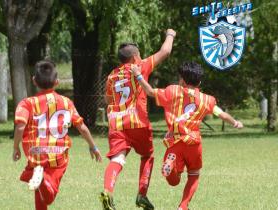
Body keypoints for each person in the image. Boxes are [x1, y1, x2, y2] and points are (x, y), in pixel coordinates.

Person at [131, 61, 244, 210]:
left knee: (173, 181)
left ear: (182, 80)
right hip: (194, 143)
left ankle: (171, 167)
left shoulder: (173, 91)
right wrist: (235, 122)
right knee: (194, 174)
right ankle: (183, 206)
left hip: (175, 141)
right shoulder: (207, 100)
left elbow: (150, 92)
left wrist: (138, 75)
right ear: (200, 81)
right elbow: (221, 114)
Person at [101, 29, 176, 210]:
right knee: (147, 155)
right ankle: (142, 195)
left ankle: (107, 190)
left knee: (117, 159)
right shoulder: (140, 66)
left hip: (116, 123)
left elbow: (108, 99)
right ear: (135, 57)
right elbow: (165, 52)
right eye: (139, 55)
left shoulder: (111, 75)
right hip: (137, 122)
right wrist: (170, 35)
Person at [13, 60, 102, 210]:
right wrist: (93, 147)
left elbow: (20, 126)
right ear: (57, 82)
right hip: (58, 154)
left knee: (39, 182)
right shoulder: (66, 102)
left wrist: (16, 147)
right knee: (48, 193)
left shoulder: (26, 103)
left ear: (34, 80)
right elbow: (82, 126)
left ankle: (40, 178)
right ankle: (42, 180)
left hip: (35, 152)